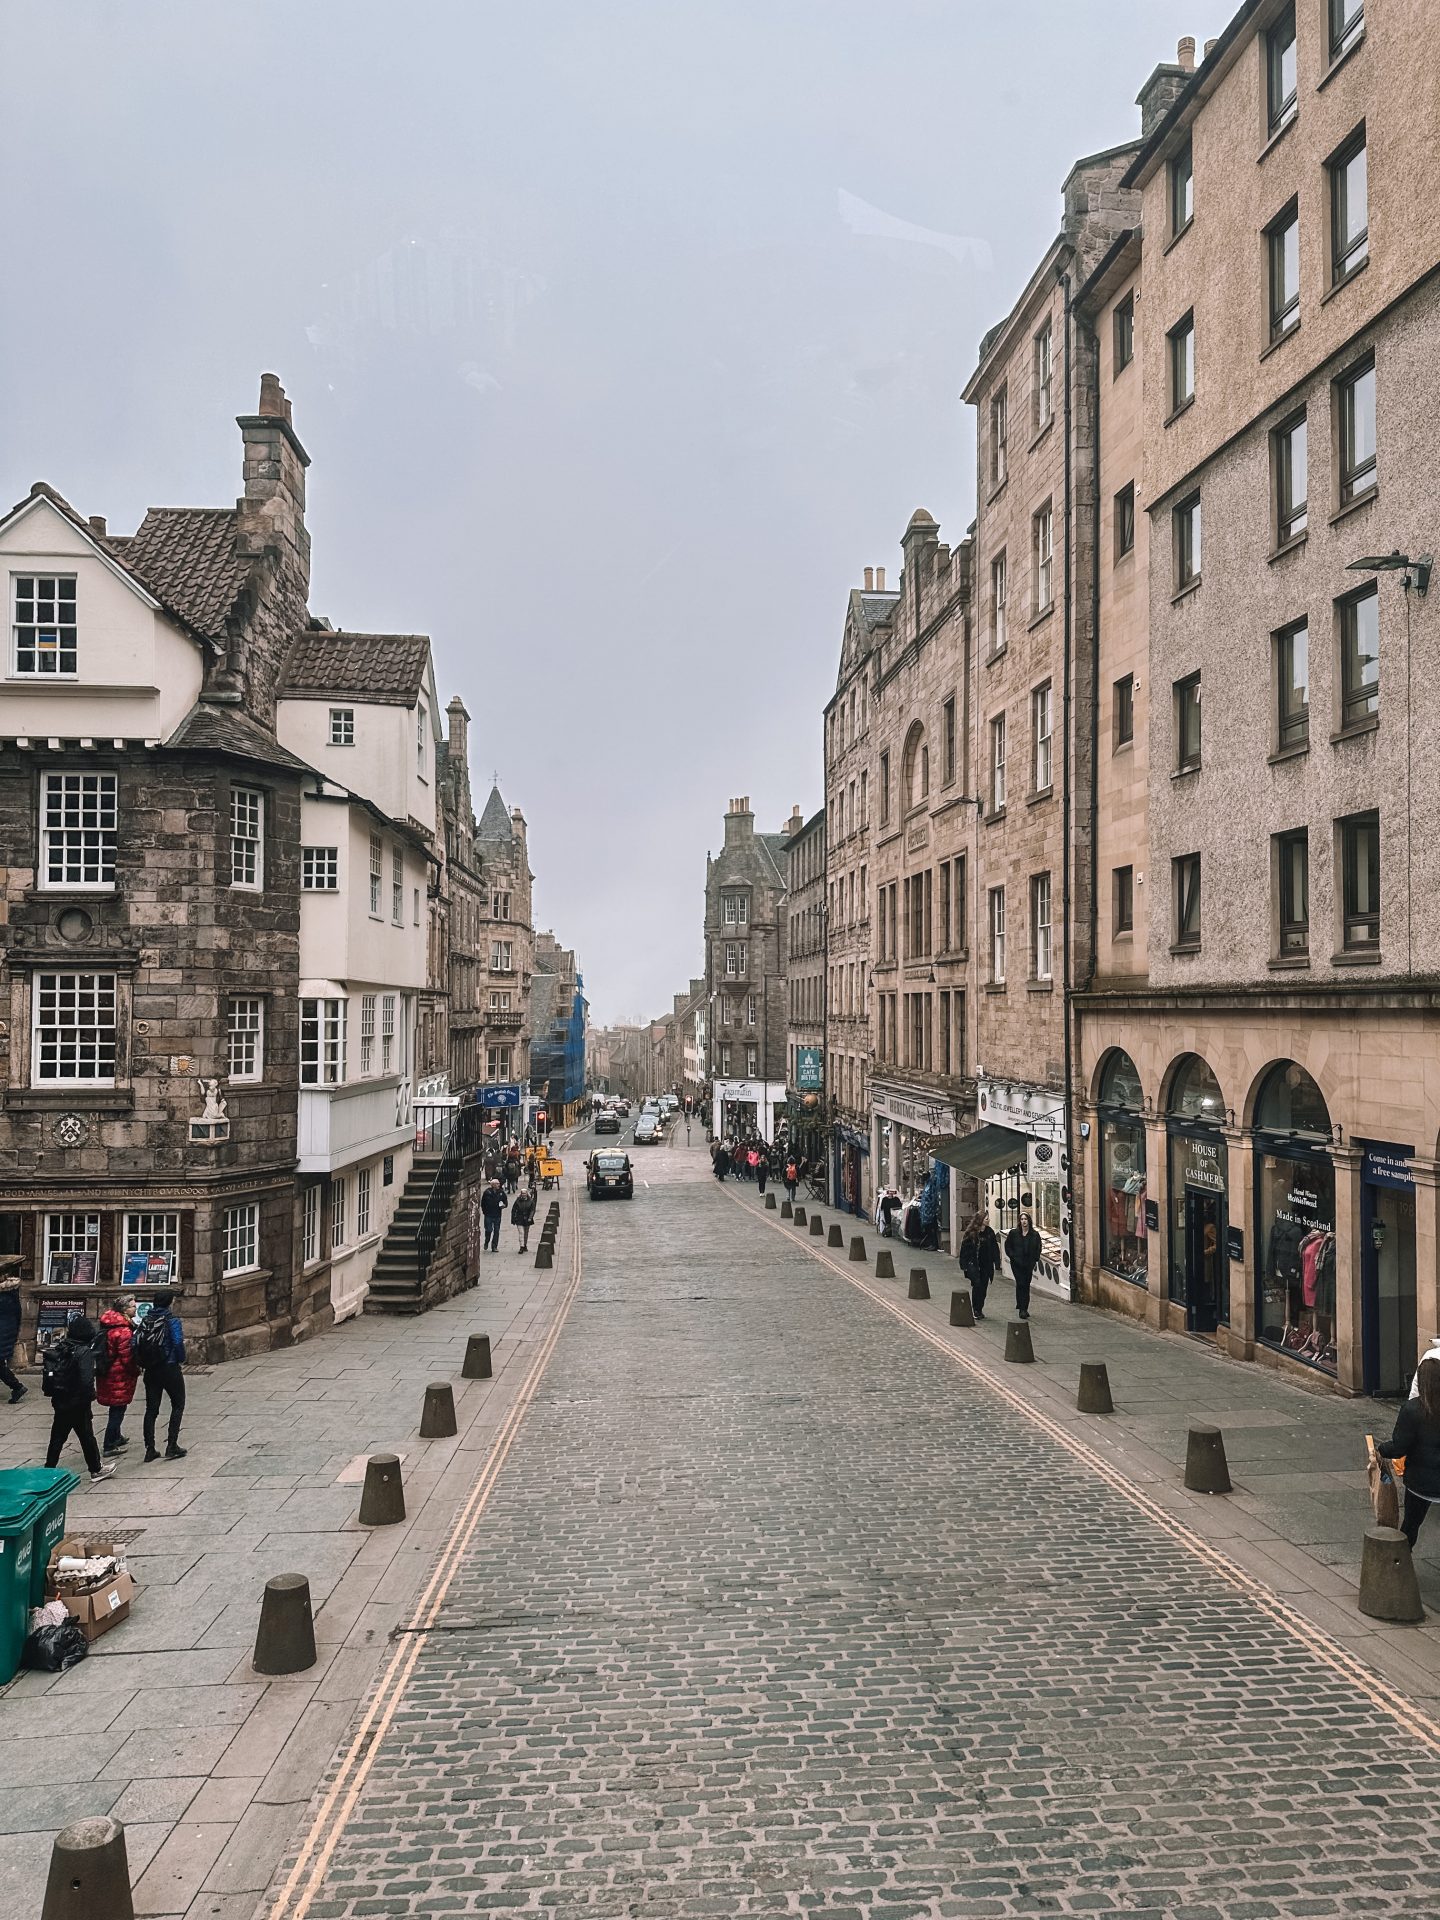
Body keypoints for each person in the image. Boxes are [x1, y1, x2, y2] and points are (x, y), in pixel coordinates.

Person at [1378, 1356, 1440, 1549]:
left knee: (1411, 1525)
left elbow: (1399, 1448)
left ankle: (1400, 1564)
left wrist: (1381, 1449)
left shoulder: (1413, 1410)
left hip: (1421, 1484)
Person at [43, 1315, 114, 1482]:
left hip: (60, 1399)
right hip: (78, 1401)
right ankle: (96, 1469)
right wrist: (90, 1396)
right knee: (86, 1435)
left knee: (58, 1436)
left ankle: (48, 1469)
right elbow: (86, 1380)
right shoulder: (83, 1352)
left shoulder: (62, 1347)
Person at [138, 1292, 187, 1462]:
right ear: (170, 1303)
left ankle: (149, 1448)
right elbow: (177, 1342)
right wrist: (181, 1359)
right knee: (178, 1404)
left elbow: (134, 1342)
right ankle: (172, 1445)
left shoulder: (145, 1320)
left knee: (151, 1409)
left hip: (151, 1369)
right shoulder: (172, 1321)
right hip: (169, 1367)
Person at [97, 1296, 140, 1455]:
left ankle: (116, 1436)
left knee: (117, 1407)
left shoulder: (108, 1324)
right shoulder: (123, 1330)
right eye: (132, 1306)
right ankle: (109, 1444)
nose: (135, 1309)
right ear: (124, 1310)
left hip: (107, 1372)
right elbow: (126, 1356)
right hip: (118, 1374)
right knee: (118, 1409)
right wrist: (135, 1370)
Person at [958, 1214, 1001, 1320]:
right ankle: (976, 1309)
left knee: (984, 1288)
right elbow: (964, 1250)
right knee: (977, 1286)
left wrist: (997, 1261)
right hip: (975, 1265)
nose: (988, 1220)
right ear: (980, 1220)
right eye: (986, 1219)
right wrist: (964, 1265)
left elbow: (994, 1247)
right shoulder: (971, 1233)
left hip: (986, 1265)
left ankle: (980, 1308)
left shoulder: (990, 1232)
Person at [1004, 1212, 1044, 1322]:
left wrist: (1035, 1258)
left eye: (1025, 1219)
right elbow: (1008, 1246)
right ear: (1019, 1221)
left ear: (1029, 1220)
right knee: (1020, 1283)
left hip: (1028, 1264)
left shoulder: (1034, 1235)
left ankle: (1024, 1307)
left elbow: (1038, 1247)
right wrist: (1012, 1256)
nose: (1024, 1221)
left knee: (1026, 1285)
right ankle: (1021, 1308)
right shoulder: (1014, 1233)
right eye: (1022, 1219)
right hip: (1017, 1263)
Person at [0, 1269, 24, 1404]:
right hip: (8, 1332)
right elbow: (18, 1315)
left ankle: (17, 1386)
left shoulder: (4, 1297)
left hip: (3, 1333)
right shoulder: (11, 1294)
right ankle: (17, 1386)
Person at [481, 1179, 506, 1254]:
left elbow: (505, 1201)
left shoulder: (501, 1192)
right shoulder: (487, 1192)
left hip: (497, 1214)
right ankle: (487, 1241)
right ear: (493, 1185)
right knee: (488, 1230)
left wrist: (504, 1205)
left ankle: (494, 1246)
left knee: (496, 1231)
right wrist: (485, 1212)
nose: (499, 1185)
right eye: (497, 1184)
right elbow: (483, 1203)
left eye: (499, 1184)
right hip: (488, 1214)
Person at [511, 1185, 536, 1253]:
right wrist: (513, 1218)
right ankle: (521, 1246)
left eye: (525, 1193)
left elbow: (532, 1210)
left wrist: (530, 1217)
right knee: (521, 1233)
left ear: (527, 1194)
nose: (524, 1195)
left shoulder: (531, 1201)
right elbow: (514, 1210)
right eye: (522, 1193)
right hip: (519, 1218)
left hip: (527, 1219)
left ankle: (525, 1245)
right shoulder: (517, 1201)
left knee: (526, 1233)